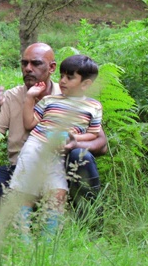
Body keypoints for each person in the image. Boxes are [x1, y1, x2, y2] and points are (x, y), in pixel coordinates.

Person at [0, 43, 108, 207]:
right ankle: (43, 204)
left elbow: (101, 144)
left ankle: (85, 213)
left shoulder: (71, 94)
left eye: (36, 63)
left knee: (81, 155)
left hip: (60, 168)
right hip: (21, 168)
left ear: (52, 68)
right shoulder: (11, 97)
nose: (28, 69)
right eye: (24, 63)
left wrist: (74, 144)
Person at [8, 55, 102, 233]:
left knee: (58, 192)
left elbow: (94, 133)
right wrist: (30, 98)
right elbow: (30, 123)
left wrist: (76, 141)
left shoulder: (93, 107)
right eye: (62, 76)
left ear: (86, 84)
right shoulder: (50, 100)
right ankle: (22, 237)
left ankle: (48, 240)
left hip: (59, 154)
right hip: (36, 146)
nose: (63, 81)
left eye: (69, 77)